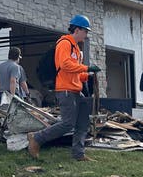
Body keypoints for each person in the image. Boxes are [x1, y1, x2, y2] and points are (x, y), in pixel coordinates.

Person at [27, 14, 102, 161]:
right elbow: (65, 65)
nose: (86, 35)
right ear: (77, 30)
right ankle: (37, 139)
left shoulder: (76, 50)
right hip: (65, 91)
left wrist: (87, 76)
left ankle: (78, 154)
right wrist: (86, 68)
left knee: (82, 123)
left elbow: (75, 73)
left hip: (75, 90)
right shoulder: (64, 43)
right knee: (68, 123)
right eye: (85, 31)